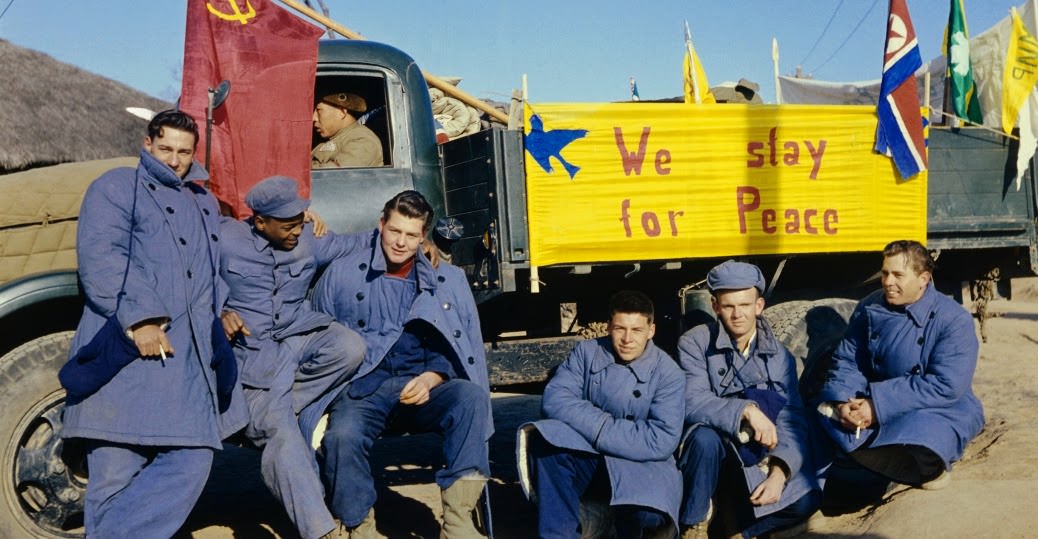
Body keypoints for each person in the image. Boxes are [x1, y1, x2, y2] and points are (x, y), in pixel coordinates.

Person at [61, 109, 247, 538]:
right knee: (112, 477)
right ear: (147, 144)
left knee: (193, 458)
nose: (174, 159)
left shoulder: (202, 200)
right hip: (127, 356)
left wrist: (221, 307)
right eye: (165, 148)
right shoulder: (116, 187)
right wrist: (140, 320)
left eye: (184, 151)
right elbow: (101, 258)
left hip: (184, 362)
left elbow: (207, 267)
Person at [310, 190, 492, 538]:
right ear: (381, 225)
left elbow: (456, 343)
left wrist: (432, 377)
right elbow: (318, 335)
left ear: (424, 237)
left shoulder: (446, 278)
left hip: (421, 386)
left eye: (411, 235)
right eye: (395, 231)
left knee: (471, 399)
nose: (400, 242)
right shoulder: (344, 273)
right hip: (362, 388)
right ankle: (357, 523)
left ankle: (457, 522)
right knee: (342, 438)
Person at [218, 176, 367, 539]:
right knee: (280, 436)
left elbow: (360, 244)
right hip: (255, 357)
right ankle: (320, 531)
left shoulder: (308, 236)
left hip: (300, 337)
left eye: (300, 221)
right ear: (259, 222)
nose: (297, 232)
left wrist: (422, 243)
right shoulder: (224, 241)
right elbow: (189, 282)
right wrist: (217, 313)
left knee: (350, 346)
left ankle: (283, 402)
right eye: (288, 226)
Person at [814, 240, 984, 508]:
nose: (888, 282)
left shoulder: (953, 320)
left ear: (924, 279)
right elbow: (849, 360)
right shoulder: (868, 308)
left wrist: (877, 406)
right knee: (823, 415)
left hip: (937, 407)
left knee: (924, 436)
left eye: (898, 275)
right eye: (884, 273)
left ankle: (926, 468)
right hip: (875, 401)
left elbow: (945, 386)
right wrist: (844, 401)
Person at [523, 290, 685, 539]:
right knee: (547, 442)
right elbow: (556, 399)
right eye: (620, 328)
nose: (627, 339)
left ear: (651, 331)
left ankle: (598, 521)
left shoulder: (668, 373)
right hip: (592, 458)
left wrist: (599, 429)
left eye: (637, 330)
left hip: (640, 465)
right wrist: (600, 427)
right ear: (608, 326)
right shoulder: (587, 353)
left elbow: (660, 439)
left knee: (646, 518)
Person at [676, 260, 820, 539]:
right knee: (703, 439)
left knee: (806, 499)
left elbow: (791, 418)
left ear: (759, 306)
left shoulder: (779, 356)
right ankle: (694, 525)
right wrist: (746, 410)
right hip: (715, 455)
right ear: (715, 306)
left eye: (744, 305)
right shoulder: (695, 342)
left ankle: (738, 531)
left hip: (757, 457)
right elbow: (692, 400)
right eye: (728, 306)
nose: (737, 314)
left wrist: (780, 472)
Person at [311, 92, 383, 168]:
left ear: (341, 113)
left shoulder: (363, 140)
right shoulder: (329, 139)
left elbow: (334, 175)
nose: (314, 118)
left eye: (318, 110)